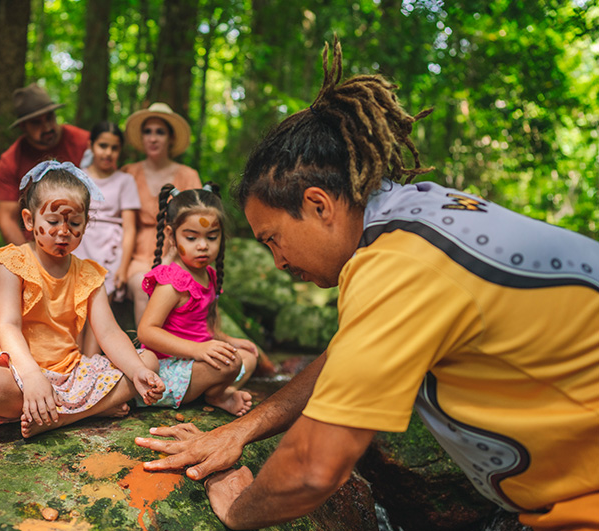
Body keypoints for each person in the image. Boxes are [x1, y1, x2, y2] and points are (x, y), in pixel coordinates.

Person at [135, 37, 599, 531]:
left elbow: (314, 468)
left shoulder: (396, 264)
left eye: (273, 239)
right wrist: (241, 431)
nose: (276, 262)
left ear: (318, 205)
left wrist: (238, 507)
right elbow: (346, 358)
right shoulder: (418, 214)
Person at [0, 160, 164, 445]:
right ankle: (92, 409)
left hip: (70, 373)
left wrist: (138, 372)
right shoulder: (11, 263)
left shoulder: (89, 273)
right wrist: (31, 376)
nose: (64, 231)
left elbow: (110, 333)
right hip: (18, 373)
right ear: (29, 220)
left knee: (148, 361)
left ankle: (58, 418)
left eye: (74, 223)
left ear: (86, 225)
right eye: (52, 222)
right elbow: (8, 325)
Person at [137, 183, 258, 416]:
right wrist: (197, 350)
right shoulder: (173, 281)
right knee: (231, 364)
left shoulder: (209, 275)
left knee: (248, 356)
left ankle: (214, 391)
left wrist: (227, 340)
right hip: (168, 371)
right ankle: (217, 394)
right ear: (171, 235)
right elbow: (146, 331)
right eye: (191, 238)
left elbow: (201, 328)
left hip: (197, 362)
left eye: (212, 237)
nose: (203, 246)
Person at [122, 102, 201, 326]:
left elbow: (197, 219)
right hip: (137, 253)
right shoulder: (129, 172)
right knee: (141, 286)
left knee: (175, 288)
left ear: (170, 138)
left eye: (160, 132)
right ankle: (146, 352)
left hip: (177, 250)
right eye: (147, 132)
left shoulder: (188, 175)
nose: (153, 138)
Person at [73, 121, 141, 355]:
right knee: (75, 303)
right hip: (80, 241)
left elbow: (130, 227)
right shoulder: (77, 176)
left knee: (99, 306)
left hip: (110, 248)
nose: (108, 153)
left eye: (114, 148)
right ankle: (71, 361)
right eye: (103, 146)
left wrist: (123, 268)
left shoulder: (125, 181)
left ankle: (90, 361)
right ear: (91, 145)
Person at [0, 84, 91, 246]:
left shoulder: (83, 142)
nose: (47, 127)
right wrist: (29, 262)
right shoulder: (10, 161)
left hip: (85, 234)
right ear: (23, 127)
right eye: (36, 123)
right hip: (37, 242)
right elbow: (7, 219)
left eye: (49, 118)